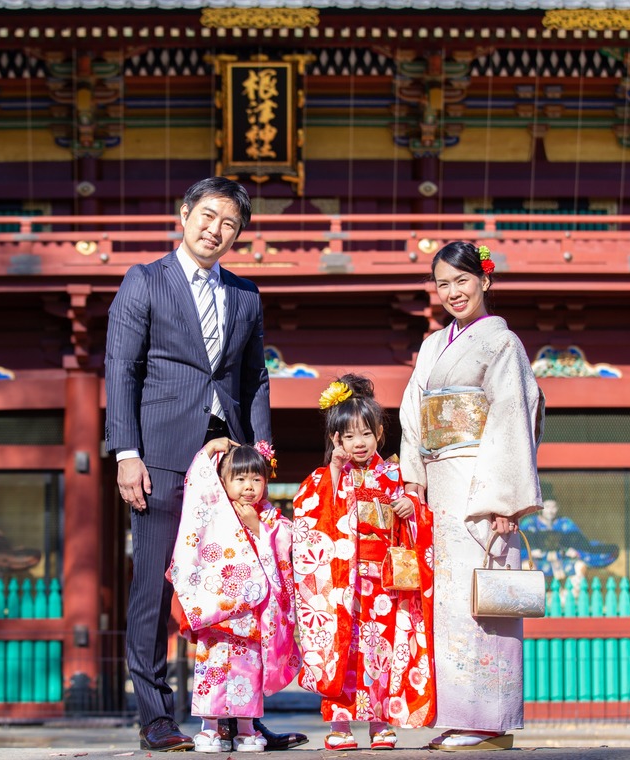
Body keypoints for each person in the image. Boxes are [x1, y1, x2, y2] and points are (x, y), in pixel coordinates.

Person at [105, 176, 305, 752]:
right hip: (161, 452)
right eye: (209, 216)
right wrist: (127, 453)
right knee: (152, 582)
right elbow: (122, 368)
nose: (216, 231)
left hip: (229, 458)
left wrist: (259, 450)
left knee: (243, 584)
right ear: (185, 213)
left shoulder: (245, 295)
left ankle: (240, 715)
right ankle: (156, 717)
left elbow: (254, 376)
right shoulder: (145, 281)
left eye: (230, 225)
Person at [399, 241, 544, 752]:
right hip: (440, 485)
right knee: (445, 603)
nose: (453, 292)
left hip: (482, 487)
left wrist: (505, 499)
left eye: (462, 281)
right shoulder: (434, 346)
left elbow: (511, 417)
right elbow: (413, 410)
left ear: (485, 281)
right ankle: (458, 715)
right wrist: (413, 475)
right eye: (443, 284)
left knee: (481, 602)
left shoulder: (502, 344)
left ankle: (488, 721)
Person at [293, 374, 435, 750]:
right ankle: (340, 725)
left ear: (379, 436)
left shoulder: (392, 475)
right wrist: (336, 475)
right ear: (336, 439)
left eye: (367, 434)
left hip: (382, 582)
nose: (359, 443)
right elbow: (310, 517)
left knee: (379, 651)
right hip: (342, 582)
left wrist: (412, 506)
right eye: (350, 436)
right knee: (342, 650)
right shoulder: (324, 478)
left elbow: (417, 515)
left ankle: (378, 722)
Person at [169, 439, 300, 753]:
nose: (249, 487)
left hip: (253, 612)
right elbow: (197, 481)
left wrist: (258, 527)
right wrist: (208, 451)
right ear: (223, 481)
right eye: (239, 479)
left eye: (256, 479)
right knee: (212, 668)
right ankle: (209, 728)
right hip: (220, 606)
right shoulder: (213, 511)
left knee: (248, 670)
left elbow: (288, 540)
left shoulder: (269, 517)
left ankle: (245, 729)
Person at [519, 484, 619, 582]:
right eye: (547, 507)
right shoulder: (530, 523)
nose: (550, 511)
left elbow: (580, 542)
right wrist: (531, 553)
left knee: (580, 566)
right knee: (526, 566)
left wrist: (575, 551)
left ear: (558, 508)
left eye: (554, 507)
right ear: (540, 508)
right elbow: (520, 544)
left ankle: (570, 596)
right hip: (539, 562)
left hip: (563, 561)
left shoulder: (565, 523)